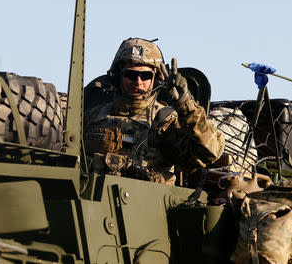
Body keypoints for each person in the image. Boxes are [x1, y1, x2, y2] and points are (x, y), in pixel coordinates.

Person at [84, 38, 225, 186]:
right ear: (119, 75)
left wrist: (186, 104)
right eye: (130, 75)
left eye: (145, 76)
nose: (138, 82)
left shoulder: (166, 121)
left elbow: (211, 152)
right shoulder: (93, 117)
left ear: (156, 78)